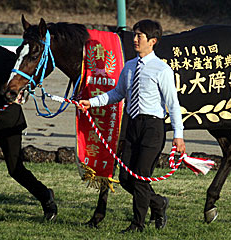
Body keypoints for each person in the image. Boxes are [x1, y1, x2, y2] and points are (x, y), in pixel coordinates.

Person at [79, 19, 185, 232]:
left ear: (152, 41)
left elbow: (173, 104)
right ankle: (158, 203)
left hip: (152, 128)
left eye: (140, 36)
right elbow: (117, 94)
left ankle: (138, 224)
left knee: (141, 176)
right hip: (132, 126)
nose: (135, 39)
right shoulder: (128, 67)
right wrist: (91, 102)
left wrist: (178, 136)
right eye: (135, 35)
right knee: (126, 178)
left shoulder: (162, 69)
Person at [0, 18, 57, 221]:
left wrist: (22, 94)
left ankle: (46, 198)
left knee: (15, 169)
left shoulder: (9, 58)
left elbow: (26, 79)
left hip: (8, 118)